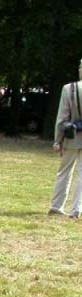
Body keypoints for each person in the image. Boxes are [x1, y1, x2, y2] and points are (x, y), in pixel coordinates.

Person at [50, 58, 82, 218]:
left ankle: (57, 206)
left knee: (64, 172)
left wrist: (57, 140)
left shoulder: (69, 89)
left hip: (71, 137)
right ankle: (77, 209)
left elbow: (61, 119)